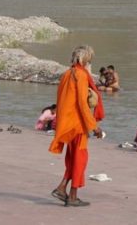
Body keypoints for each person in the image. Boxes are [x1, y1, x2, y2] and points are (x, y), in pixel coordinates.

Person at [50, 45, 103, 208]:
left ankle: (62, 188)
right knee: (80, 159)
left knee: (73, 159)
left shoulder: (67, 74)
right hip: (77, 125)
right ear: (85, 60)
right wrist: (94, 126)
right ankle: (72, 195)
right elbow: (81, 103)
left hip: (67, 124)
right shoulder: (80, 75)